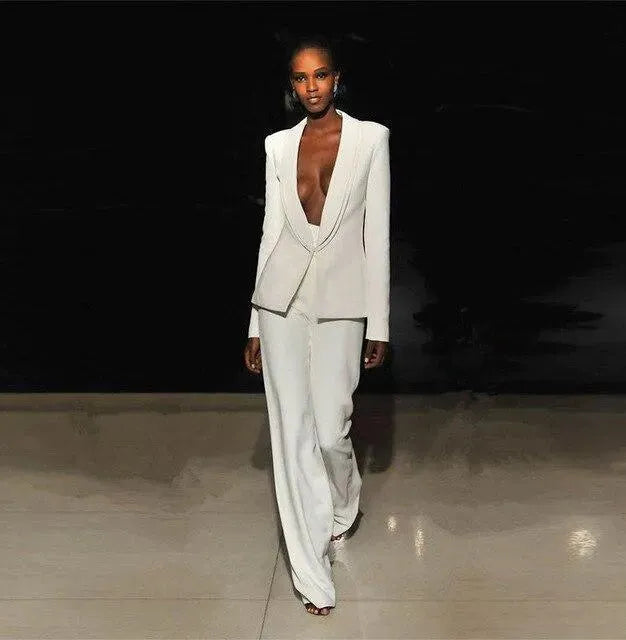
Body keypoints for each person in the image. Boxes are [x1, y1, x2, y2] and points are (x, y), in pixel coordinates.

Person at [243, 34, 391, 616]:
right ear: (292, 85)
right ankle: (312, 573)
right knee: (292, 435)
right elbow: (271, 233)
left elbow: (376, 234)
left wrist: (379, 322)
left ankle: (345, 499)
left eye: (321, 75)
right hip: (280, 299)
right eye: (301, 78)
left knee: (330, 428)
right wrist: (253, 323)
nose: (311, 87)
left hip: (341, 298)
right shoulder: (278, 146)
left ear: (337, 78)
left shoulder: (370, 139)